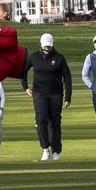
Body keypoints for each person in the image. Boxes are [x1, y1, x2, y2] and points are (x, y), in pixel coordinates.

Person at [22, 32, 73, 160]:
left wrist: (68, 97)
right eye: (45, 45)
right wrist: (25, 87)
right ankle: (45, 148)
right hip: (39, 93)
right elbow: (23, 71)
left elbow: (67, 77)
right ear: (41, 44)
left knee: (55, 121)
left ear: (52, 45)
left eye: (49, 46)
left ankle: (56, 150)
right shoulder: (34, 57)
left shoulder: (59, 58)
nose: (47, 47)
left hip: (56, 94)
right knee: (41, 119)